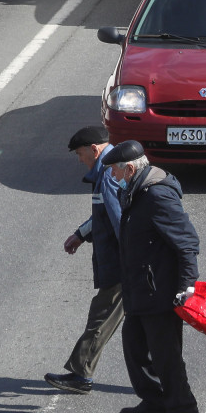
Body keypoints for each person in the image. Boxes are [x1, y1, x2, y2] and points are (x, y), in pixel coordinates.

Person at [109, 140, 202, 413]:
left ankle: (183, 410)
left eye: (115, 170)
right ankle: (156, 399)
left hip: (160, 292)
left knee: (165, 354)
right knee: (135, 346)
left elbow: (187, 243)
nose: (113, 177)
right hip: (140, 290)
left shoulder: (157, 196)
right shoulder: (136, 191)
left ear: (131, 168)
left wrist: (186, 288)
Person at [45, 126, 124, 395]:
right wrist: (81, 234)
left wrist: (131, 259)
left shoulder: (109, 175)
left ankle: (81, 375)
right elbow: (104, 216)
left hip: (122, 263)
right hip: (131, 261)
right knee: (145, 326)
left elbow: (119, 222)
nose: (80, 160)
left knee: (102, 317)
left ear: (94, 149)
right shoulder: (111, 168)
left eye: (80, 154)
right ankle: (166, 381)